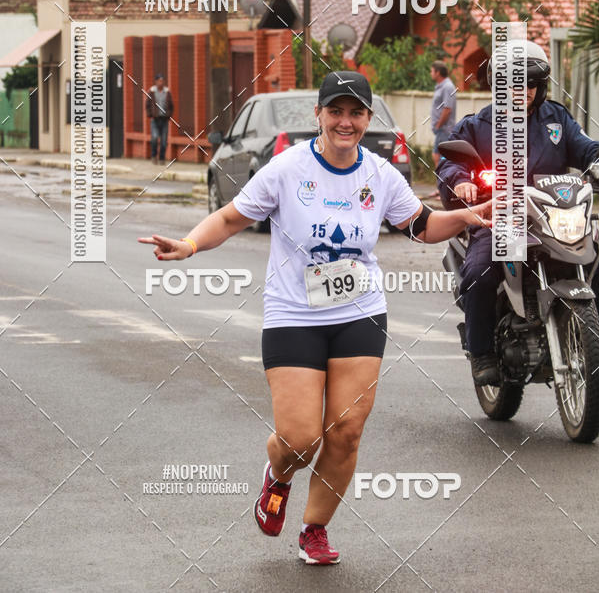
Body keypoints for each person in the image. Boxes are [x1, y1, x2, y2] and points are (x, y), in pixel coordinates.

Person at [139, 70, 492, 565]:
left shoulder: (380, 174)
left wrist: (466, 217)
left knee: (346, 432)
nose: (346, 122)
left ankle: (315, 529)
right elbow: (231, 217)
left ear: (368, 118)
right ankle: (278, 475)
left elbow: (420, 225)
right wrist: (190, 244)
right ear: (319, 115)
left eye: (356, 113)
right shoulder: (287, 168)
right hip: (294, 315)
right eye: (336, 111)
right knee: (301, 440)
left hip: (360, 312)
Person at [437, 42, 599, 386]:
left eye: (530, 83)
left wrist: (597, 162)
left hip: (554, 217)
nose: (522, 90)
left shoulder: (557, 119)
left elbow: (587, 149)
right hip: (501, 220)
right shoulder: (478, 124)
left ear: (540, 86)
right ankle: (481, 351)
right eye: (512, 83)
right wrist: (462, 181)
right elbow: (450, 162)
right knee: (480, 271)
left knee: (596, 252)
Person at [430, 61, 456, 170]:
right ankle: (440, 180)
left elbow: (447, 109)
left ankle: (443, 180)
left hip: (444, 129)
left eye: (432, 71)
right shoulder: (441, 86)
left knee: (440, 158)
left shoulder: (447, 87)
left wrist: (438, 125)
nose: (430, 73)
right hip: (440, 130)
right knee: (437, 157)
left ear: (438, 72)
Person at [145, 73, 174, 164]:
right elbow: (147, 104)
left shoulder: (167, 92)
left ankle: (162, 158)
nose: (161, 82)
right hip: (155, 119)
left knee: (164, 141)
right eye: (159, 81)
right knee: (154, 138)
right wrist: (150, 114)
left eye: (162, 80)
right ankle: (154, 155)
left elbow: (171, 105)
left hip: (164, 119)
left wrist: (169, 115)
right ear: (156, 81)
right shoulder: (152, 91)